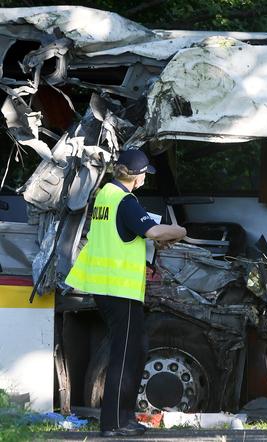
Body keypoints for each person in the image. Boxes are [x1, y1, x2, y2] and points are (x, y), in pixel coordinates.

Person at [65, 150, 186, 437]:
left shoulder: (106, 195)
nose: (145, 178)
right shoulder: (126, 200)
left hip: (107, 287)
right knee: (126, 354)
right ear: (137, 176)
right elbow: (154, 232)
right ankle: (115, 423)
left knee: (136, 349)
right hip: (120, 290)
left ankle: (124, 418)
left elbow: (123, 236)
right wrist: (178, 230)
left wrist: (150, 243)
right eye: (145, 173)